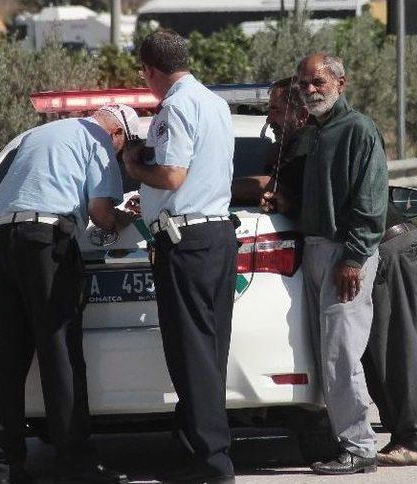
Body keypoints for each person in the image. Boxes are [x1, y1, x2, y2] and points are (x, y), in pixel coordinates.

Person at [0, 104, 139, 484]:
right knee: (61, 354)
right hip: (46, 243)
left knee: (7, 357)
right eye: (123, 149)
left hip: (3, 240)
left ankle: (3, 469)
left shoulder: (40, 134)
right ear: (118, 133)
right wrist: (127, 216)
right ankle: (77, 466)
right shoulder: (99, 139)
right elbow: (102, 214)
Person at [123, 30, 237, 484]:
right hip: (216, 236)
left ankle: (211, 463)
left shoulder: (175, 105)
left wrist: (133, 165)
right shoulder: (215, 103)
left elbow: (171, 175)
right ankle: (199, 452)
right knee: (209, 352)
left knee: (192, 354)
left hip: (185, 242)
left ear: (150, 70)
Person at [293, 52, 388, 475]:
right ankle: (342, 440)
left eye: (317, 82)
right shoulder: (311, 133)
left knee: (340, 354)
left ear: (340, 83)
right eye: (304, 83)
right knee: (323, 354)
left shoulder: (359, 130)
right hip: (312, 252)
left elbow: (370, 204)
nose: (309, 90)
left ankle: (360, 446)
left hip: (343, 256)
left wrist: (352, 257)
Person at [361, 202, 417, 465]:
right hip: (388, 248)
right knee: (380, 356)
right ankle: (405, 435)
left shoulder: (311, 160)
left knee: (397, 348)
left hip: (388, 250)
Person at [231, 77, 311, 215]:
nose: (268, 119)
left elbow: (271, 186)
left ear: (302, 115)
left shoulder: (304, 142)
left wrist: (212, 188)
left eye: (276, 110)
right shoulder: (280, 150)